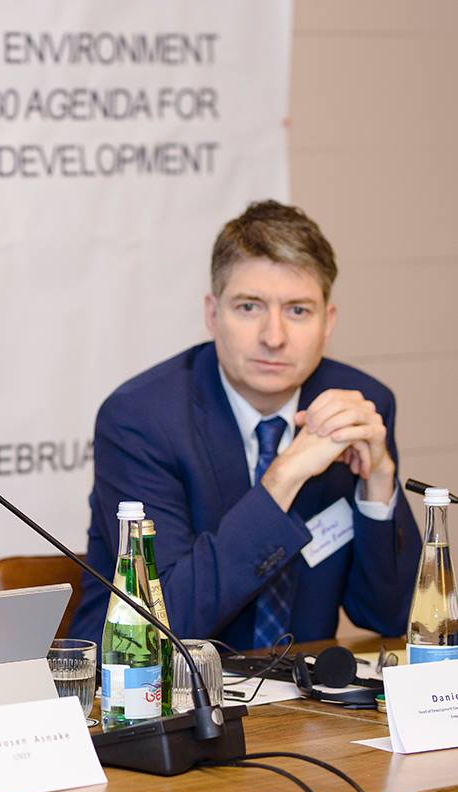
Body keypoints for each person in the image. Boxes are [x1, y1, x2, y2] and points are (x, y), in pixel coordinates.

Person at [72, 201, 422, 650]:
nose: (274, 337)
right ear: (212, 314)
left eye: (298, 311)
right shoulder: (141, 419)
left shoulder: (358, 406)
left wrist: (379, 484)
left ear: (328, 322)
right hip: (139, 682)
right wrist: (283, 477)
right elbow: (162, 623)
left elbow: (391, 617)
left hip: (298, 687)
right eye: (249, 306)